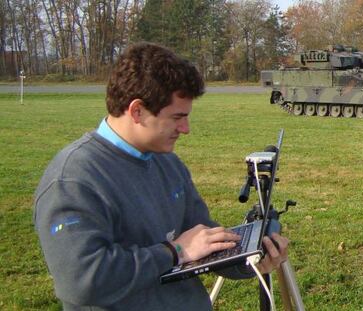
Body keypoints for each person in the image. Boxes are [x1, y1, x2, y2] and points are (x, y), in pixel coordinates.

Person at [34, 42, 288, 311]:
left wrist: (250, 258)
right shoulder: (73, 179)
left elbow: (204, 246)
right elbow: (81, 281)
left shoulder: (167, 162)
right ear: (137, 111)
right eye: (177, 117)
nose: (186, 128)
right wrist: (174, 252)